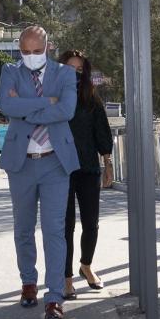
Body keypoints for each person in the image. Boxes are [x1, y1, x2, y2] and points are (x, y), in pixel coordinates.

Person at [0, 25, 79, 319]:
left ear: (49, 47)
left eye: (36, 50)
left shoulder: (65, 74)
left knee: (54, 230)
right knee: (23, 228)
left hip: (55, 161)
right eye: (25, 51)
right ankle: (28, 282)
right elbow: (7, 105)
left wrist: (25, 108)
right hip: (21, 162)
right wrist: (48, 102)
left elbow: (67, 110)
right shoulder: (10, 71)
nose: (30, 56)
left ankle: (54, 297)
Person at [56, 50, 113, 299]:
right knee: (65, 226)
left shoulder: (92, 98)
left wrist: (107, 163)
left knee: (91, 223)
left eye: (80, 69)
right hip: (60, 170)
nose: (75, 74)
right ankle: (66, 278)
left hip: (89, 169)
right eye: (70, 68)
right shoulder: (53, 97)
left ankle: (86, 266)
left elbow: (103, 132)